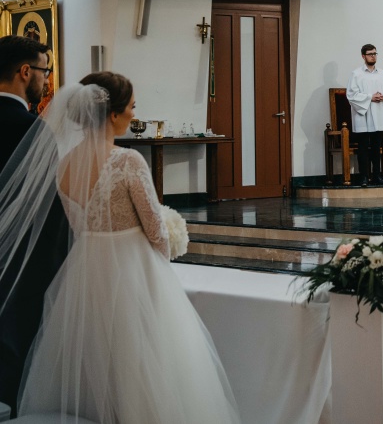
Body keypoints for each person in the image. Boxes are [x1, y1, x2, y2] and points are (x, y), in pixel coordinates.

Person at [1, 72, 240, 422]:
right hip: (132, 270)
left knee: (94, 357)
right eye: (132, 107)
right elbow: (156, 232)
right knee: (143, 361)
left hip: (85, 270)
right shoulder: (128, 161)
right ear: (113, 114)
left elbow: (77, 226)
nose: (133, 115)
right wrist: (165, 251)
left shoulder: (65, 165)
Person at [0, 35, 69, 416]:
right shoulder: (32, 130)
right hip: (19, 264)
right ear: (25, 72)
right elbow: (51, 208)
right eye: (44, 71)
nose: (46, 80)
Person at [346, 44, 383, 186]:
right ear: (363, 56)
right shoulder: (356, 74)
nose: (373, 56)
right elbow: (351, 95)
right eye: (370, 54)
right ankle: (363, 176)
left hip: (378, 113)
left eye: (375, 53)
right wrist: (370, 97)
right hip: (363, 115)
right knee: (363, 147)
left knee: (376, 147)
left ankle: (377, 176)